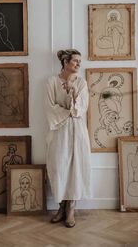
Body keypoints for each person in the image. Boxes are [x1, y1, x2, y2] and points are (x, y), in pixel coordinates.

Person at [45, 49, 91, 228]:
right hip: (58, 130)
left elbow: (80, 109)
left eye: (80, 61)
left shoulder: (81, 83)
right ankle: (61, 206)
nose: (79, 64)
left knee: (76, 168)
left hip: (77, 131)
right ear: (65, 62)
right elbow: (50, 107)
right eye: (75, 61)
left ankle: (71, 208)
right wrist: (68, 112)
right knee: (59, 167)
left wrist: (72, 94)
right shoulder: (51, 82)